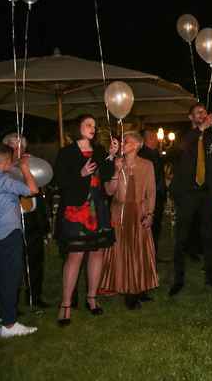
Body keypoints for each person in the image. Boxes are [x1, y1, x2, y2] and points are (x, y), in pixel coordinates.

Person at [54, 114, 119, 326]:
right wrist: (80, 173)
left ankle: (92, 297)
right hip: (76, 209)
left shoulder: (99, 150)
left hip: (98, 207)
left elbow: (108, 177)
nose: (93, 128)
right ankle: (65, 304)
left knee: (97, 252)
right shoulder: (67, 152)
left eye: (94, 125)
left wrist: (110, 156)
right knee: (75, 255)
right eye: (88, 124)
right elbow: (59, 182)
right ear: (78, 128)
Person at [0, 144, 39, 339]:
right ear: (4, 162)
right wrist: (25, 167)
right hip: (7, 235)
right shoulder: (2, 180)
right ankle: (10, 324)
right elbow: (32, 190)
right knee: (9, 280)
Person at [169, 104, 212, 296]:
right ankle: (178, 279)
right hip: (186, 193)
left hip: (206, 192)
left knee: (209, 236)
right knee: (182, 237)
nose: (203, 115)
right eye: (198, 113)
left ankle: (210, 275)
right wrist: (200, 130)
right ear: (190, 117)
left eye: (204, 112)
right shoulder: (184, 136)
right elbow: (180, 149)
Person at [101, 132, 159, 310]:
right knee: (124, 250)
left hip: (139, 212)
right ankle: (128, 291)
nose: (123, 143)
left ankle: (141, 287)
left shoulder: (147, 165)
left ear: (136, 145)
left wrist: (150, 214)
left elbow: (151, 191)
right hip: (120, 212)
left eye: (126, 141)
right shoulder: (115, 163)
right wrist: (117, 171)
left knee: (140, 250)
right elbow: (109, 192)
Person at [3, 133, 50, 310]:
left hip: (32, 218)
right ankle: (12, 302)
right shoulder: (3, 168)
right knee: (14, 263)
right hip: (13, 219)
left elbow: (39, 189)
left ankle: (35, 297)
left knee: (36, 259)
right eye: (14, 147)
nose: (18, 150)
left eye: (21, 146)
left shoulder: (31, 165)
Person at [138, 129, 167, 259]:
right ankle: (148, 255)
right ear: (144, 140)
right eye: (151, 137)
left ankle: (152, 253)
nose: (155, 139)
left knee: (156, 227)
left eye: (155, 137)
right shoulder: (143, 155)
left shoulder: (156, 153)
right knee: (149, 227)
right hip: (148, 197)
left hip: (158, 195)